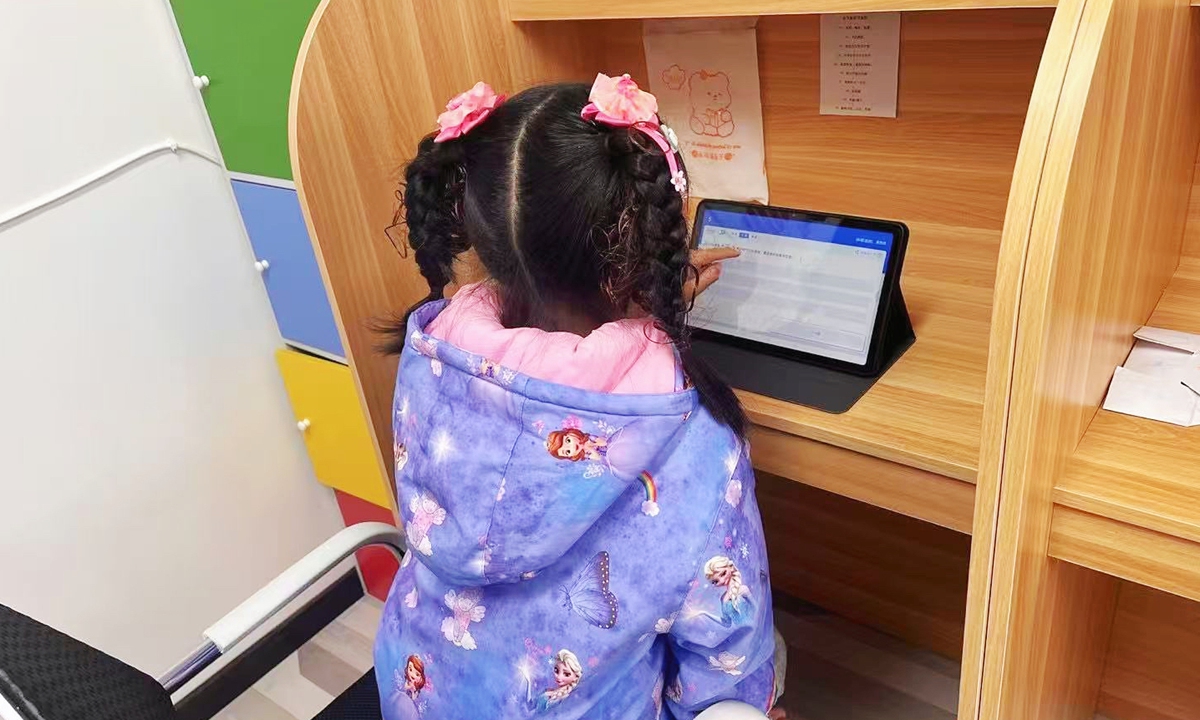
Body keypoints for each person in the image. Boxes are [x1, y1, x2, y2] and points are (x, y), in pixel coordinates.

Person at [372, 73, 782, 720]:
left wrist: (644, 295)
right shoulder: (689, 433)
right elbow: (725, 655)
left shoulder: (432, 355)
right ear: (639, 242)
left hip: (419, 689)